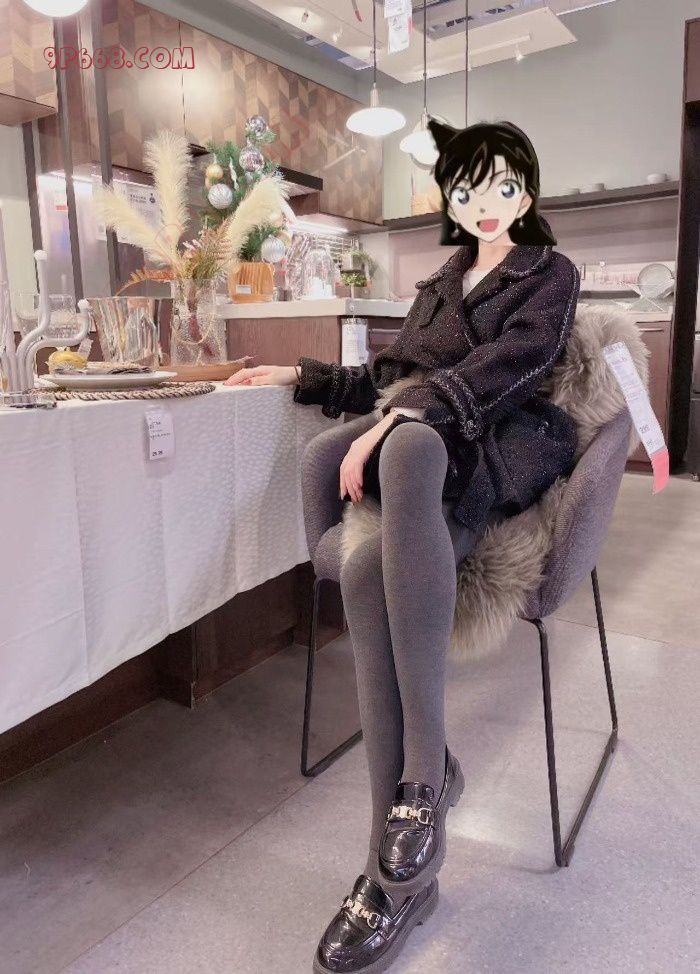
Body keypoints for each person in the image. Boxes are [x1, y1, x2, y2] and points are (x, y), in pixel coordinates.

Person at [225, 119, 581, 973]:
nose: (484, 202)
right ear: (450, 198)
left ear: (527, 192)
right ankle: (401, 868)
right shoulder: (441, 282)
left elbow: (517, 366)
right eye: (467, 188)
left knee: (411, 443)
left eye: (502, 185)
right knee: (360, 563)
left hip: (504, 445)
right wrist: (301, 375)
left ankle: (422, 782)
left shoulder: (549, 273)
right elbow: (388, 376)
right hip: (427, 474)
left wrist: (401, 418)